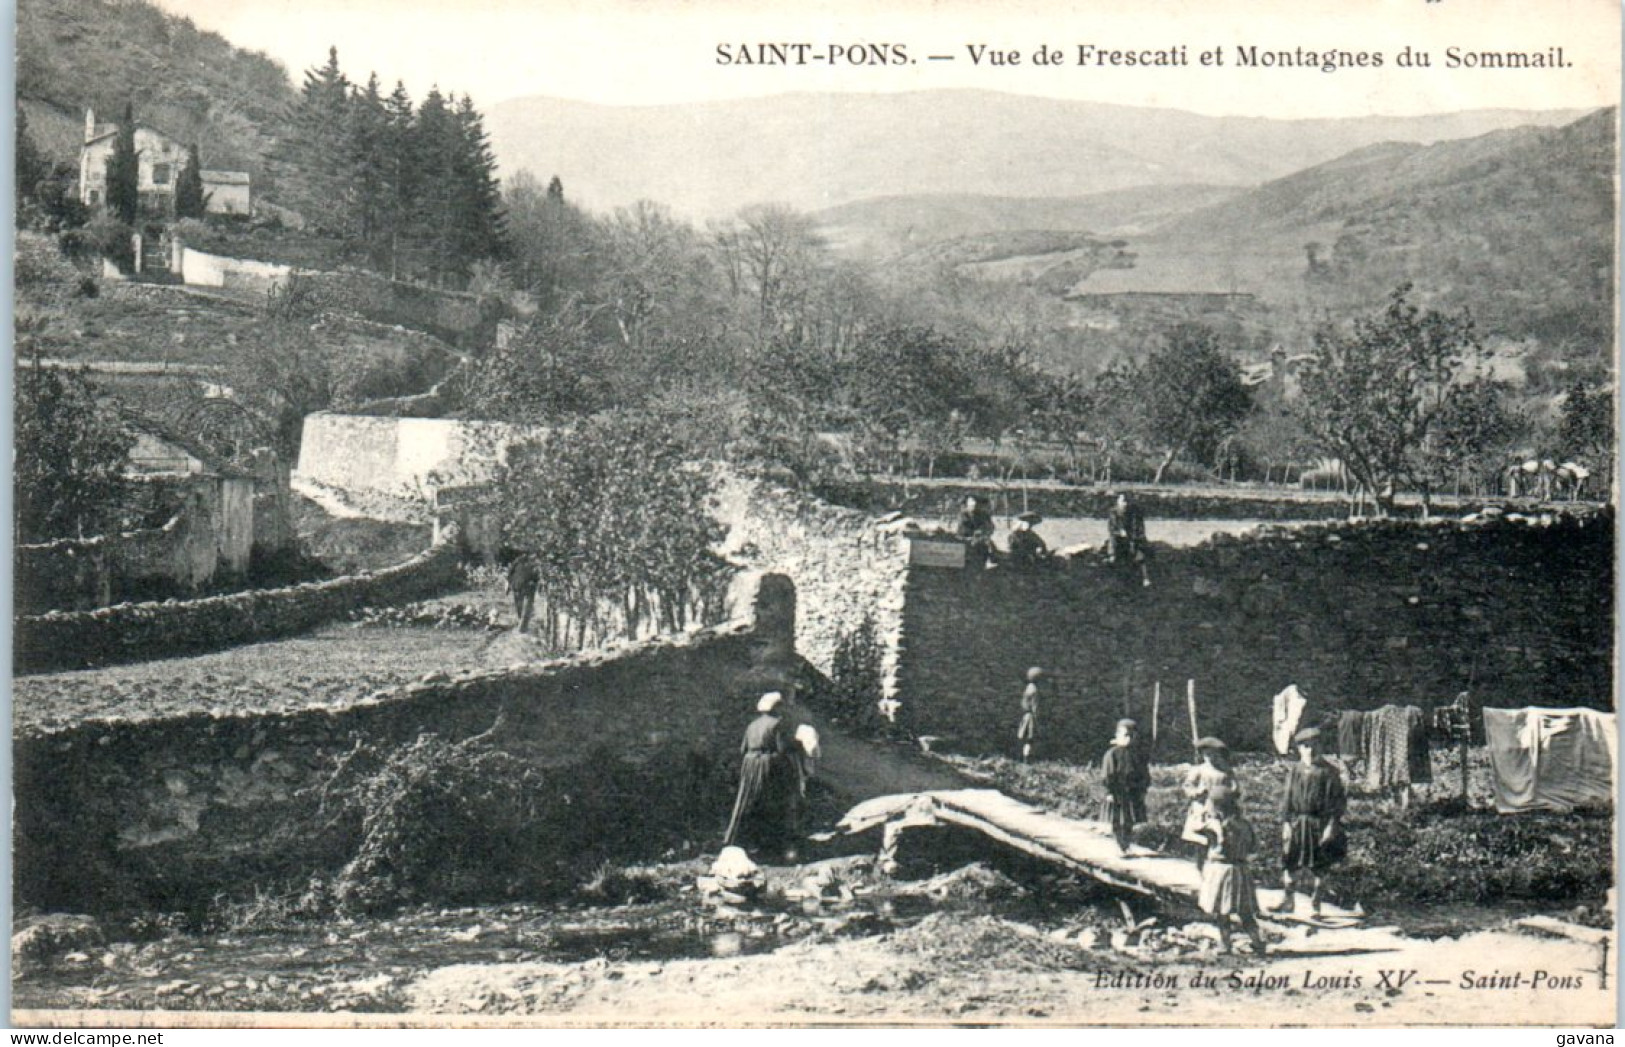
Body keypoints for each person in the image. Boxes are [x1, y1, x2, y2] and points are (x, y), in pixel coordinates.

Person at [1275, 726, 1347, 916]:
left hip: (1319, 823)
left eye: (1314, 746)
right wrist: (1286, 823)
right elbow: (1287, 799)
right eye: (1305, 746)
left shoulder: (1329, 772)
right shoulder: (1295, 771)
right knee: (1289, 861)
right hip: (1298, 822)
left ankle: (1316, 903)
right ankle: (1288, 899)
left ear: (1321, 747)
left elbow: (1337, 803)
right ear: (1299, 749)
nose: (1310, 750)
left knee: (1320, 865)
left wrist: (1331, 826)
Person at [723, 692, 799, 860]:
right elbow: (782, 749)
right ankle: (771, 845)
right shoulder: (778, 724)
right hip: (767, 765)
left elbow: (743, 749)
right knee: (770, 801)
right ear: (776, 708)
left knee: (748, 801)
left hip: (749, 765)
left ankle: (743, 841)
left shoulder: (752, 725)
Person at [1195, 785, 1266, 954]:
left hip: (1221, 870)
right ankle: (1257, 941)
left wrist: (1211, 822)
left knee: (1222, 911)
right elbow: (1254, 848)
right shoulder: (1244, 824)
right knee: (1245, 911)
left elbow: (1197, 830)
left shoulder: (1215, 826)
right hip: (1241, 870)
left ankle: (1225, 944)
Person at [1181, 737, 1239, 869]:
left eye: (1214, 754)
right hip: (1202, 809)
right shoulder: (1198, 770)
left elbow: (1235, 787)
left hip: (1222, 809)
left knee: (1221, 836)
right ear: (1202, 755)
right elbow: (1187, 787)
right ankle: (1200, 866)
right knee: (1201, 837)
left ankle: (1216, 865)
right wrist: (1196, 792)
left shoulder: (1225, 771)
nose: (1211, 758)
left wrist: (1230, 793)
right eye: (1207, 754)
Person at [1100, 718, 1151, 856]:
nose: (1128, 739)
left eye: (1132, 736)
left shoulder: (1138, 755)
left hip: (1133, 792)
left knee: (1130, 820)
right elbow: (1107, 774)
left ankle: (1126, 844)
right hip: (1118, 792)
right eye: (1125, 735)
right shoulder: (1112, 754)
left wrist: (1143, 788)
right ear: (1118, 736)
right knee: (1117, 820)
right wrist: (1109, 791)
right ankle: (1120, 845)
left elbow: (1144, 773)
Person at [1106, 492, 1152, 587]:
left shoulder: (1134, 513)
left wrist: (1133, 537)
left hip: (1133, 537)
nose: (1125, 504)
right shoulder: (1114, 512)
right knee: (1113, 543)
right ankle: (1112, 558)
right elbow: (1112, 528)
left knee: (1140, 553)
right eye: (1123, 501)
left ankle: (1145, 578)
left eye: (1126, 501)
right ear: (1118, 502)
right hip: (1118, 538)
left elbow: (1138, 528)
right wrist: (1120, 532)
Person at [956, 494, 995, 567]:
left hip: (980, 539)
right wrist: (974, 534)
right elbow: (963, 528)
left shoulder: (983, 515)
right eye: (971, 505)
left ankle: (988, 560)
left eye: (976, 506)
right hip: (965, 539)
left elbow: (990, 527)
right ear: (968, 506)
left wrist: (983, 532)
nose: (974, 507)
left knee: (988, 545)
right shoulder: (964, 515)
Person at [506, 553, 541, 632]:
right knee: (520, 604)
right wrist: (509, 583)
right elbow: (510, 573)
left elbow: (509, 573)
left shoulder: (521, 562)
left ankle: (522, 624)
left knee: (522, 605)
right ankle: (521, 623)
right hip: (519, 586)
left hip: (523, 586)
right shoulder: (520, 562)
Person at [1016, 667, 1043, 762]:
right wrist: (1038, 717)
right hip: (1031, 717)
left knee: (1026, 739)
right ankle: (1027, 759)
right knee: (1030, 739)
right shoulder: (1035, 690)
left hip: (1026, 716)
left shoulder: (1028, 688)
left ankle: (1024, 757)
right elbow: (1035, 706)